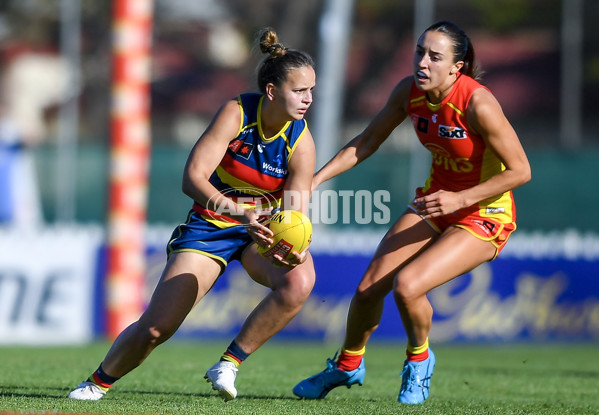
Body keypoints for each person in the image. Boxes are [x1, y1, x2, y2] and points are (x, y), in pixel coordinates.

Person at [68, 27, 317, 402]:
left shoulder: (301, 140)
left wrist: (292, 245)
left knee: (299, 281)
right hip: (211, 226)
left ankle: (229, 363)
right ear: (271, 91)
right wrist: (240, 213)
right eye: (299, 90)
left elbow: (297, 213)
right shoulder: (236, 113)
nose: (308, 99)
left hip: (258, 234)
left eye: (311, 90)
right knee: (155, 329)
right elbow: (193, 179)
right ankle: (97, 382)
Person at [292, 20, 531, 405]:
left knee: (408, 286)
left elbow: (521, 170)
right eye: (420, 51)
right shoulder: (409, 92)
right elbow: (367, 141)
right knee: (369, 288)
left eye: (435, 56)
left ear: (457, 66)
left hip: (484, 214)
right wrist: (315, 180)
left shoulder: (478, 103)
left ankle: (419, 362)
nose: (422, 62)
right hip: (435, 203)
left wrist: (459, 199)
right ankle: (348, 365)